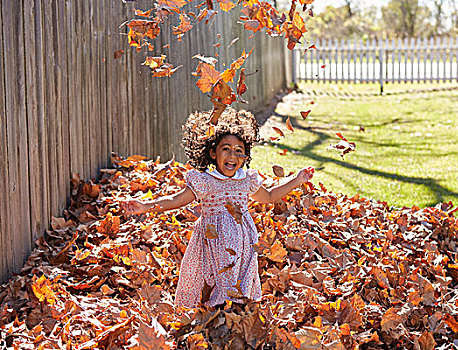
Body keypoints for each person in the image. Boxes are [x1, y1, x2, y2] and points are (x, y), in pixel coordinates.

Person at [121, 108, 314, 308]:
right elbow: (176, 200)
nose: (233, 155)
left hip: (243, 240)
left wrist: (297, 179)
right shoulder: (206, 181)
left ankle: (235, 312)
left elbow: (270, 196)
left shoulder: (245, 180)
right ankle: (211, 311)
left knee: (239, 278)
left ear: (245, 156)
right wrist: (144, 206)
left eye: (239, 150)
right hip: (212, 239)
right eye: (226, 149)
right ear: (213, 152)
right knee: (209, 278)